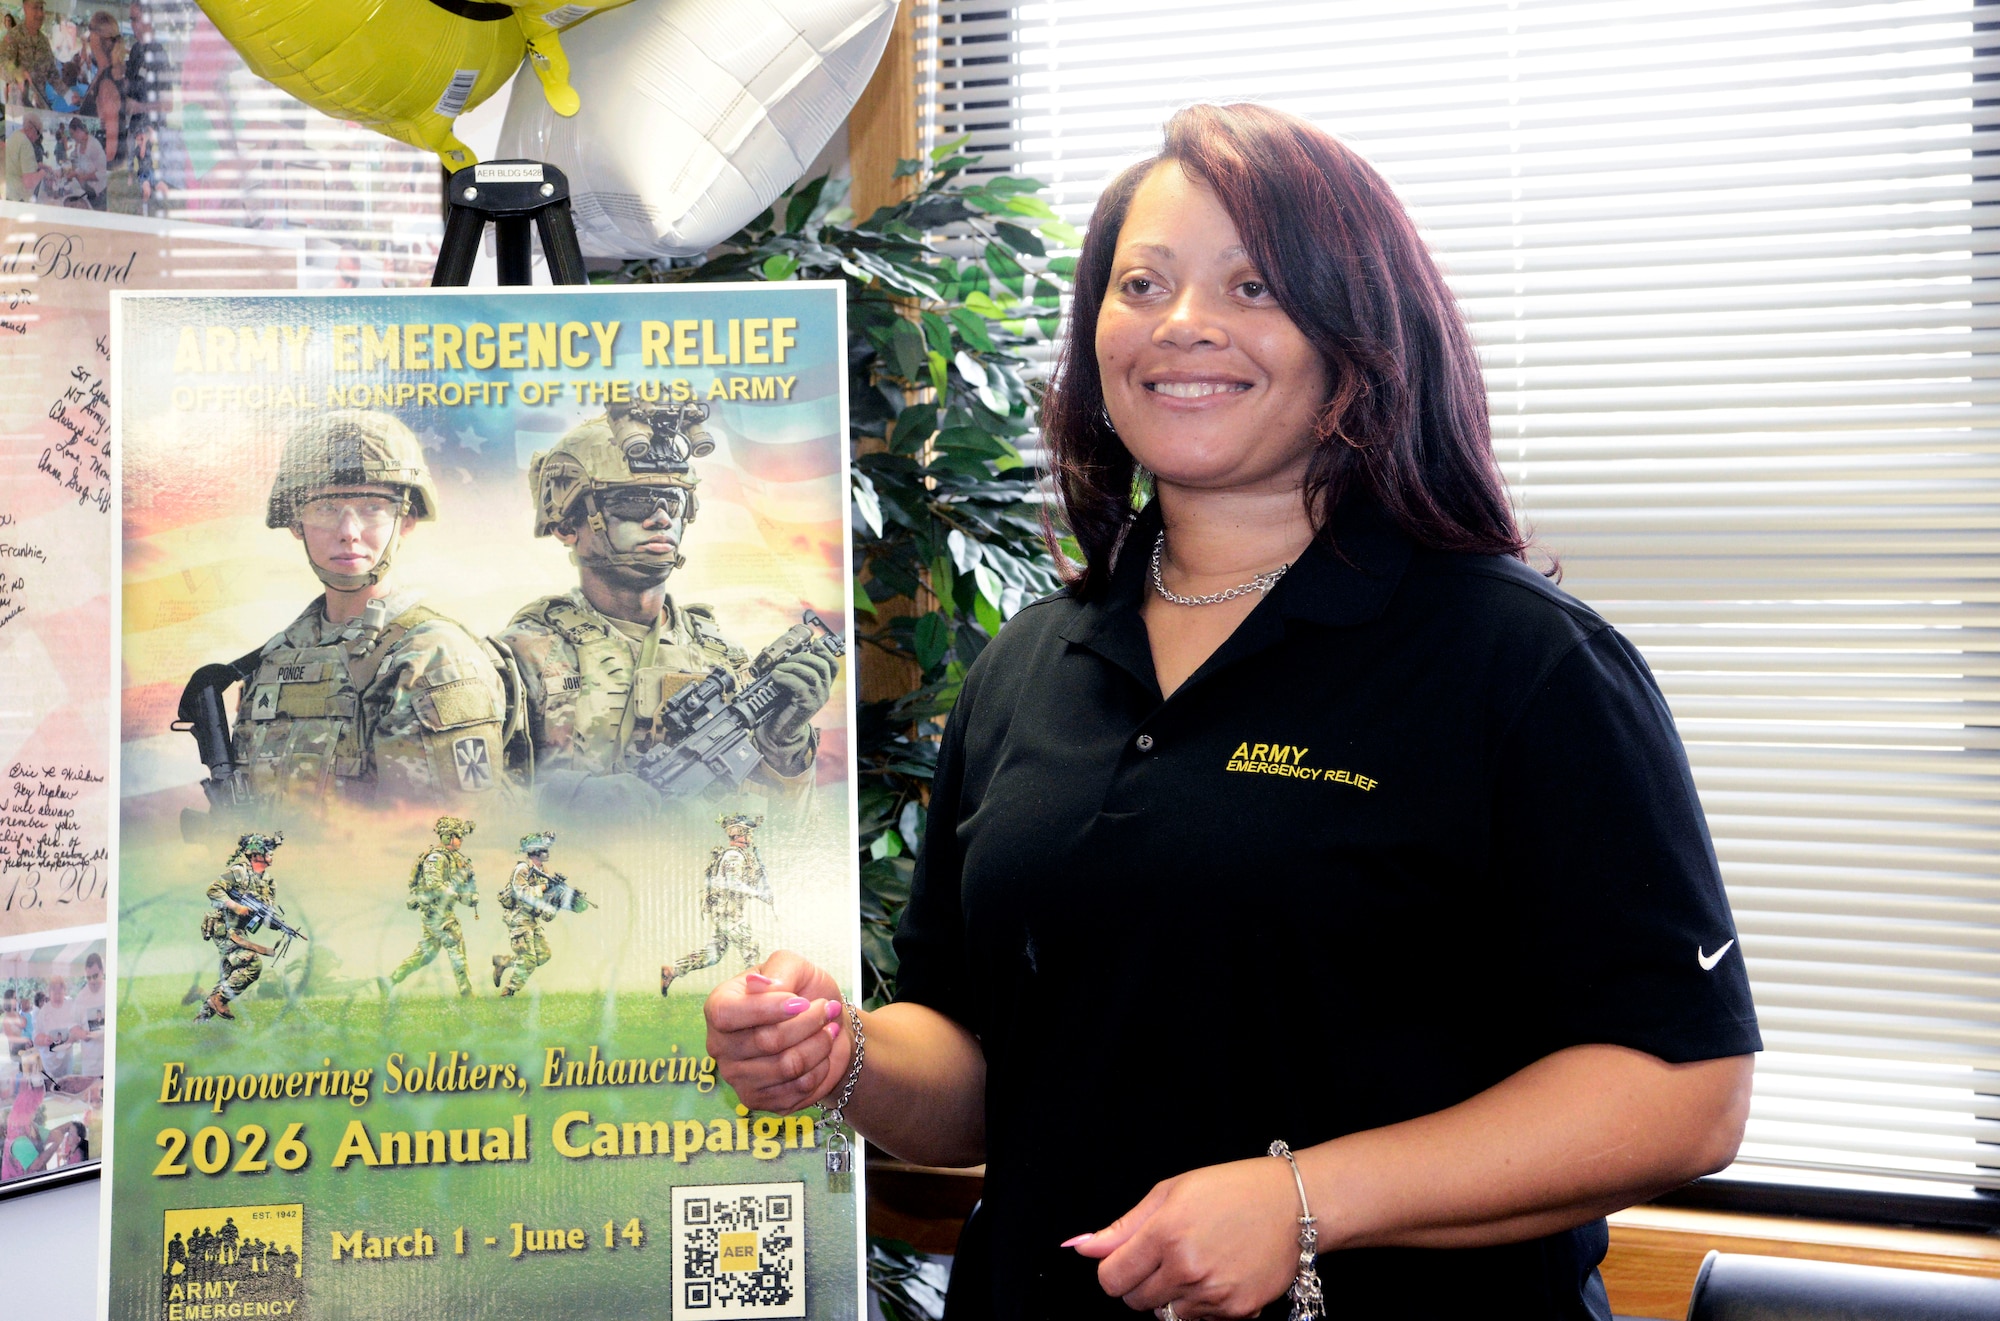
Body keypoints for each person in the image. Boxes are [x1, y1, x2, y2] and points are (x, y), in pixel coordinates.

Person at [704, 104, 1760, 1320]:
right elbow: (983, 1072)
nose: (1181, 323)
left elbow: (1684, 1091)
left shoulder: (1518, 660)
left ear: (1356, 334)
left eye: (1252, 285)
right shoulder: (1030, 661)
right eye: (1139, 283)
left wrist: (1300, 1199)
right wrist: (843, 1056)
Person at [498, 404, 837, 816]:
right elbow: (460, 809)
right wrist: (564, 804)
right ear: (567, 525)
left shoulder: (723, 658)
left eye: (672, 502)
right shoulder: (523, 656)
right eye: (635, 502)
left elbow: (784, 840)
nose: (660, 518)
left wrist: (786, 751)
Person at [213, 410, 511, 814]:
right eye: (325, 507)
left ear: (406, 520)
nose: (348, 530)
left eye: (373, 507)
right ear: (296, 523)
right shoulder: (276, 659)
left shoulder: (435, 660)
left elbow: (449, 840)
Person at [660, 812, 771, 996]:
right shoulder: (734, 856)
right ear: (740, 835)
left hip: (727, 913)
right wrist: (759, 894)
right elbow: (733, 883)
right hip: (728, 914)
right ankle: (754, 993)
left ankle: (672, 970)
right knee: (751, 949)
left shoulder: (739, 855)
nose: (751, 837)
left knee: (713, 955)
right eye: (749, 833)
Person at [389, 815, 481, 997]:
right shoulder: (436, 858)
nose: (460, 840)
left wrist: (469, 898)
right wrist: (458, 895)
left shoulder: (453, 858)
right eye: (457, 836)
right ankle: (467, 993)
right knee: (456, 947)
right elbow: (434, 885)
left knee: (427, 953)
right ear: (447, 837)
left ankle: (391, 980)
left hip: (439, 911)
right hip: (436, 912)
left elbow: (455, 887)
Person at [196, 832, 284, 1021]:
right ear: (256, 855)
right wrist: (236, 906)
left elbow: (264, 917)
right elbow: (213, 890)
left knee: (229, 976)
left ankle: (202, 1019)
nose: (272, 855)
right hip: (223, 927)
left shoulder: (269, 883)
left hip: (239, 931)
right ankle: (220, 999)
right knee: (252, 964)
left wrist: (274, 923)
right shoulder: (239, 873)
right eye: (268, 851)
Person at [492, 831, 586, 996]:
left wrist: (561, 902)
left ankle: (503, 963)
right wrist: (545, 887)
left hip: (532, 920)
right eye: (543, 849)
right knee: (528, 959)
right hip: (519, 918)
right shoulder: (522, 869)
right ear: (534, 851)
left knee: (543, 955)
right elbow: (522, 893)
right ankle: (509, 991)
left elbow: (545, 909)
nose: (547, 852)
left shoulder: (544, 871)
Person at [0, 0, 56, 109]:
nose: (40, 14)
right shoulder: (11, 36)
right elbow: (3, 64)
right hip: (19, 100)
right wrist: (18, 72)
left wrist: (68, 96)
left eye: (41, 8)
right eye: (35, 8)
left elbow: (52, 72)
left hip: (40, 101)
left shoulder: (43, 40)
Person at [3, 110, 49, 202]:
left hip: (8, 192)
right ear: (32, 128)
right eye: (38, 133)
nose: (37, 138)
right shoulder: (26, 144)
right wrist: (42, 173)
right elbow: (29, 183)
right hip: (18, 197)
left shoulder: (15, 136)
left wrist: (44, 166)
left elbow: (20, 164)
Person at [61, 115, 105, 209]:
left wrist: (83, 177)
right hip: (88, 191)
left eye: (72, 134)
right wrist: (73, 173)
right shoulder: (79, 147)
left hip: (99, 193)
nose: (72, 138)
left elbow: (102, 173)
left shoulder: (94, 145)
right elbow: (82, 167)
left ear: (78, 130)